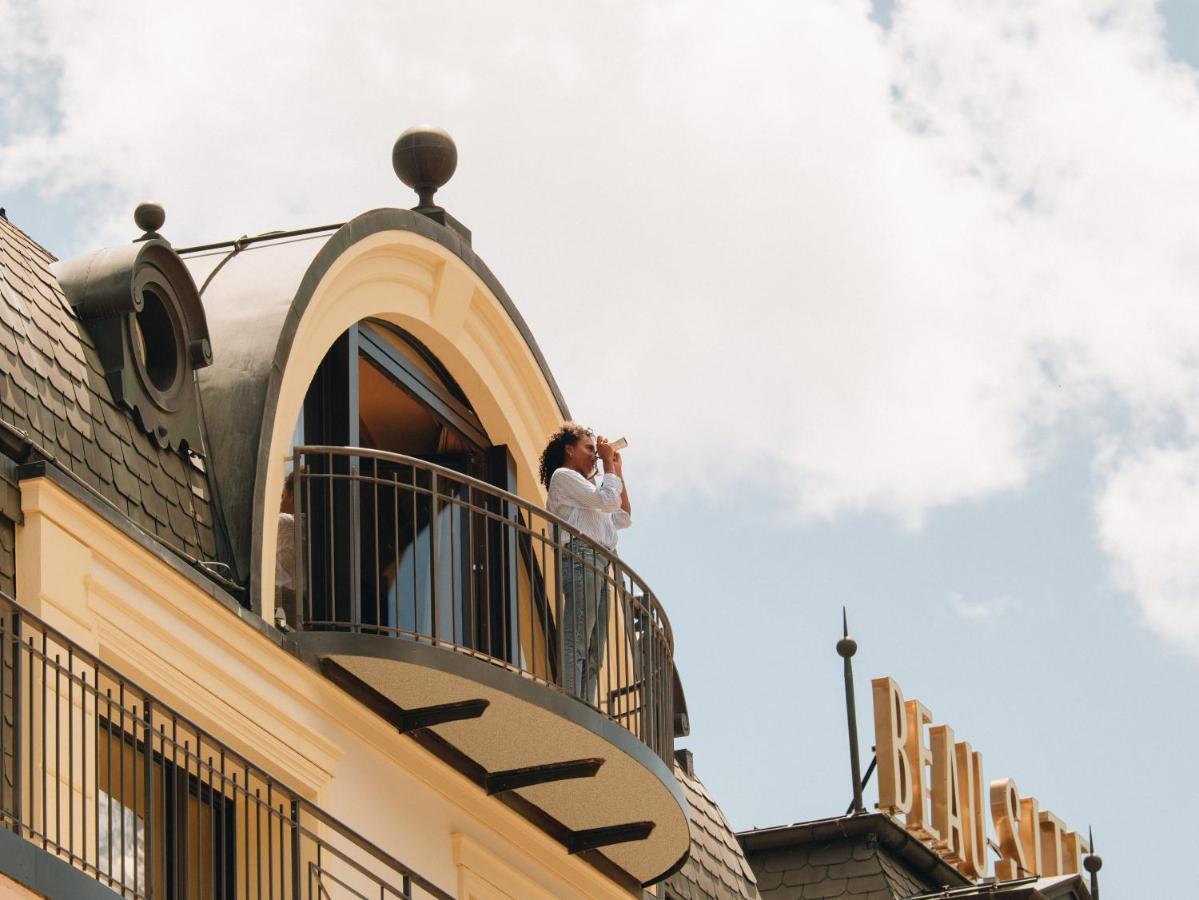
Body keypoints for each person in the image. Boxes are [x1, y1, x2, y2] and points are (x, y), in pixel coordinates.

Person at [539, 423, 631, 703]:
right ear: (570, 449)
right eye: (589, 448)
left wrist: (617, 468)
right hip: (582, 556)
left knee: (594, 651)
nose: (594, 454)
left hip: (600, 563)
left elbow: (623, 516)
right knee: (578, 638)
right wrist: (607, 465)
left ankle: (585, 706)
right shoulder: (563, 477)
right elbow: (607, 501)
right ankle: (570, 703)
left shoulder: (589, 491)